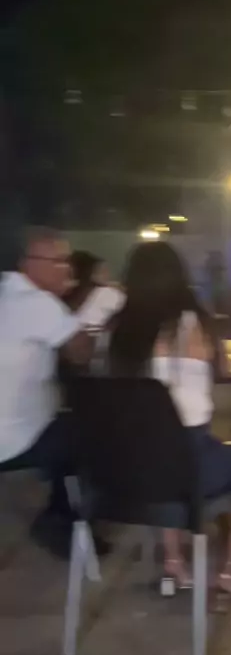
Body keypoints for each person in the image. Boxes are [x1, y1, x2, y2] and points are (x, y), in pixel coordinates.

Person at [106, 241, 231, 595]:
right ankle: (229, 571)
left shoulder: (120, 330)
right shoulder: (195, 322)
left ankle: (174, 561)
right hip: (188, 461)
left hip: (127, 470)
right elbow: (223, 370)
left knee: (161, 451)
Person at [0, 227, 90, 550]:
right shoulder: (38, 302)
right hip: (12, 439)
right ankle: (60, 521)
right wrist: (66, 305)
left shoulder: (7, 293)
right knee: (93, 434)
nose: (67, 269)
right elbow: (82, 353)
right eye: (59, 261)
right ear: (29, 263)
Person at [64, 250, 124, 329]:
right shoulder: (108, 294)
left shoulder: (56, 297)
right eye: (103, 271)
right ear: (91, 274)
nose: (107, 275)